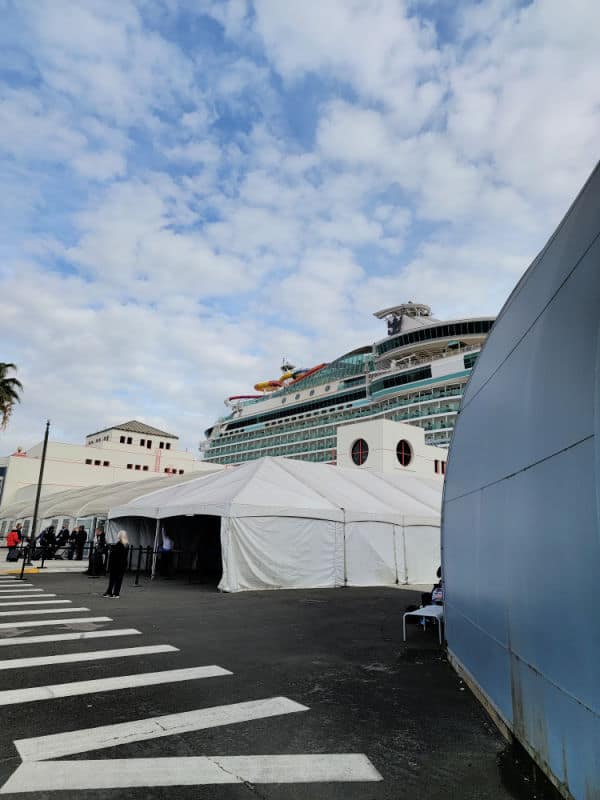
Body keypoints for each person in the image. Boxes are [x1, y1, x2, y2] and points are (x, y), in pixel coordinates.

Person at [103, 531, 129, 598]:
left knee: (112, 579)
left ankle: (109, 592)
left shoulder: (119, 544)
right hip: (122, 564)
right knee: (119, 579)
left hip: (116, 564)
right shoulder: (126, 544)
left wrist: (110, 548)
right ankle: (116, 593)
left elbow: (114, 554)